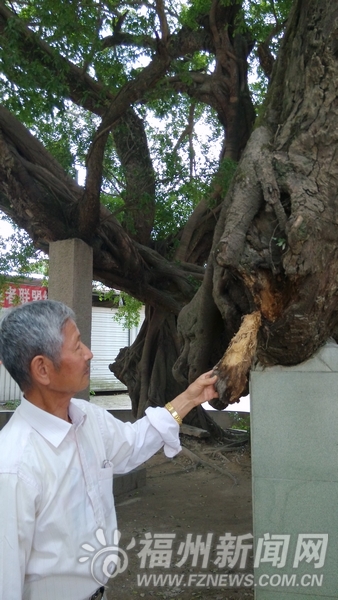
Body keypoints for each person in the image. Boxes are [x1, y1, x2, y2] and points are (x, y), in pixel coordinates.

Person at [0, 299, 218, 600]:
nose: (89, 353)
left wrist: (190, 398)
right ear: (42, 369)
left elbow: (134, 442)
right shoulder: (13, 468)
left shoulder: (88, 418)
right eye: (77, 347)